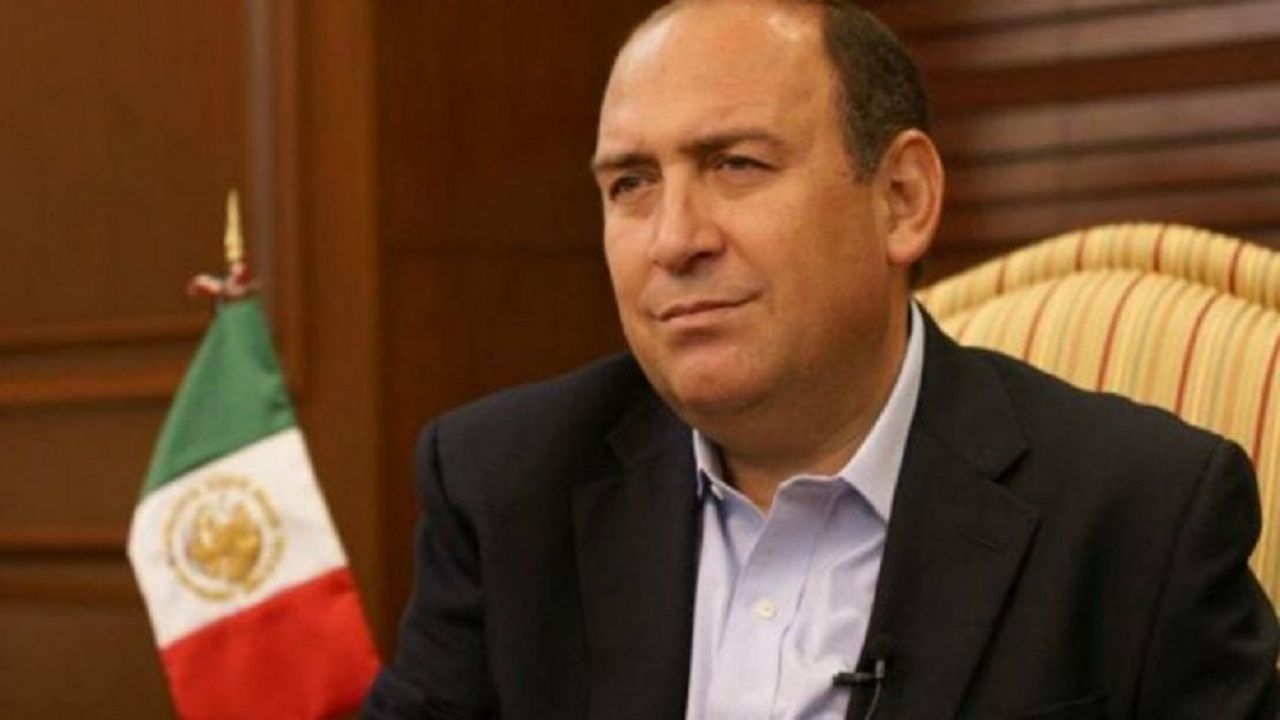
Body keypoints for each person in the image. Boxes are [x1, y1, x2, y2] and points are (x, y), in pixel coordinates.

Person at [365, 1, 1280, 717]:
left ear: (901, 199)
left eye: (735, 164)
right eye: (631, 184)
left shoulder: (1140, 517)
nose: (673, 240)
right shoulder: (505, 486)